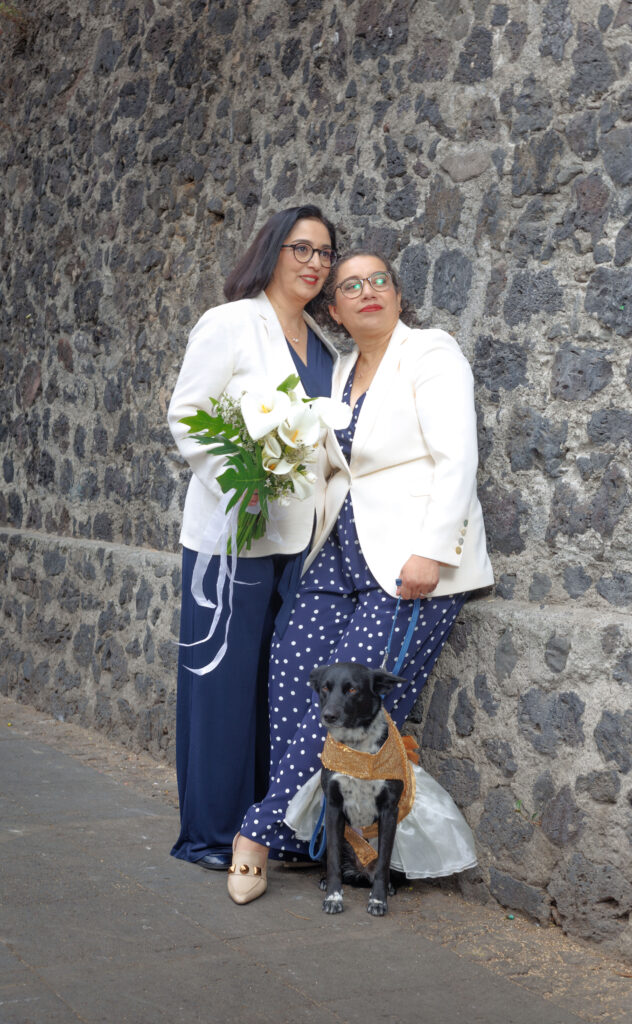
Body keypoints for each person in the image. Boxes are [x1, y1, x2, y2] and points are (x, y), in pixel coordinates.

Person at [228, 250, 494, 904]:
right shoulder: (342, 371)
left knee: (348, 702)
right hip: (338, 554)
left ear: (397, 295)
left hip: (408, 563)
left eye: (379, 280)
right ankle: (310, 839)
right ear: (334, 310)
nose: (368, 290)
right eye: (351, 285)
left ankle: (258, 834)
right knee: (292, 675)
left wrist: (432, 550)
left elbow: (457, 457)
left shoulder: (430, 353)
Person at [167, 205, 340, 869]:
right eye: (301, 248)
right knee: (222, 685)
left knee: (280, 689)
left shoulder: (324, 346)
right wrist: (244, 483)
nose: (314, 263)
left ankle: (266, 829)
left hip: (299, 546)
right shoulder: (231, 322)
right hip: (231, 538)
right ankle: (209, 835)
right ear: (272, 250)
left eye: (324, 253)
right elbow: (188, 413)